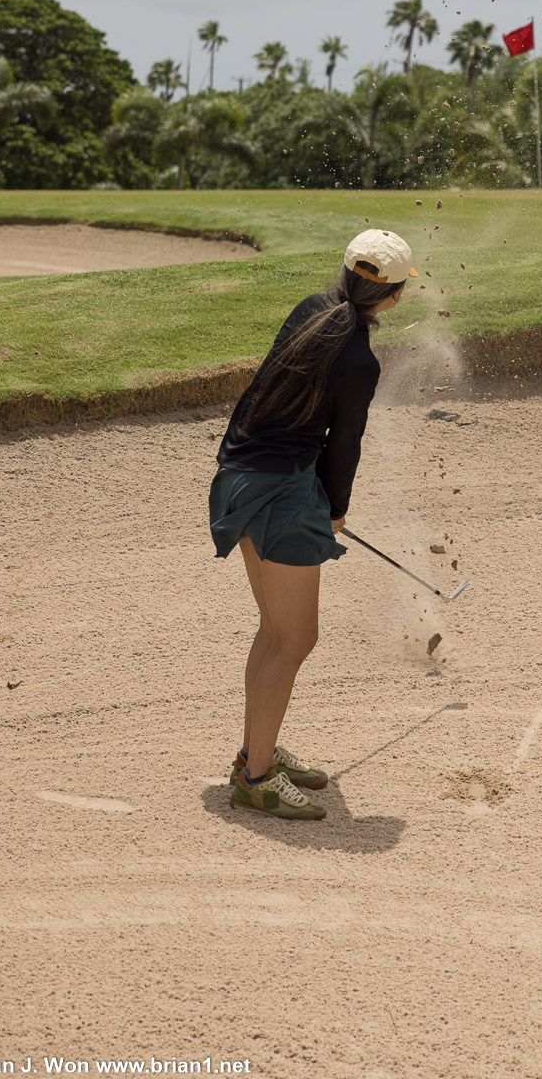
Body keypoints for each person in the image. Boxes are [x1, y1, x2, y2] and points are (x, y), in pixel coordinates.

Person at [208, 228, 417, 821]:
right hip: (280, 494)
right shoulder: (359, 359)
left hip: (242, 476)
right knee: (294, 638)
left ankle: (259, 753)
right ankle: (255, 779)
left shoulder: (311, 311)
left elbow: (255, 400)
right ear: (395, 296)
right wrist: (336, 506)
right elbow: (343, 443)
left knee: (275, 631)